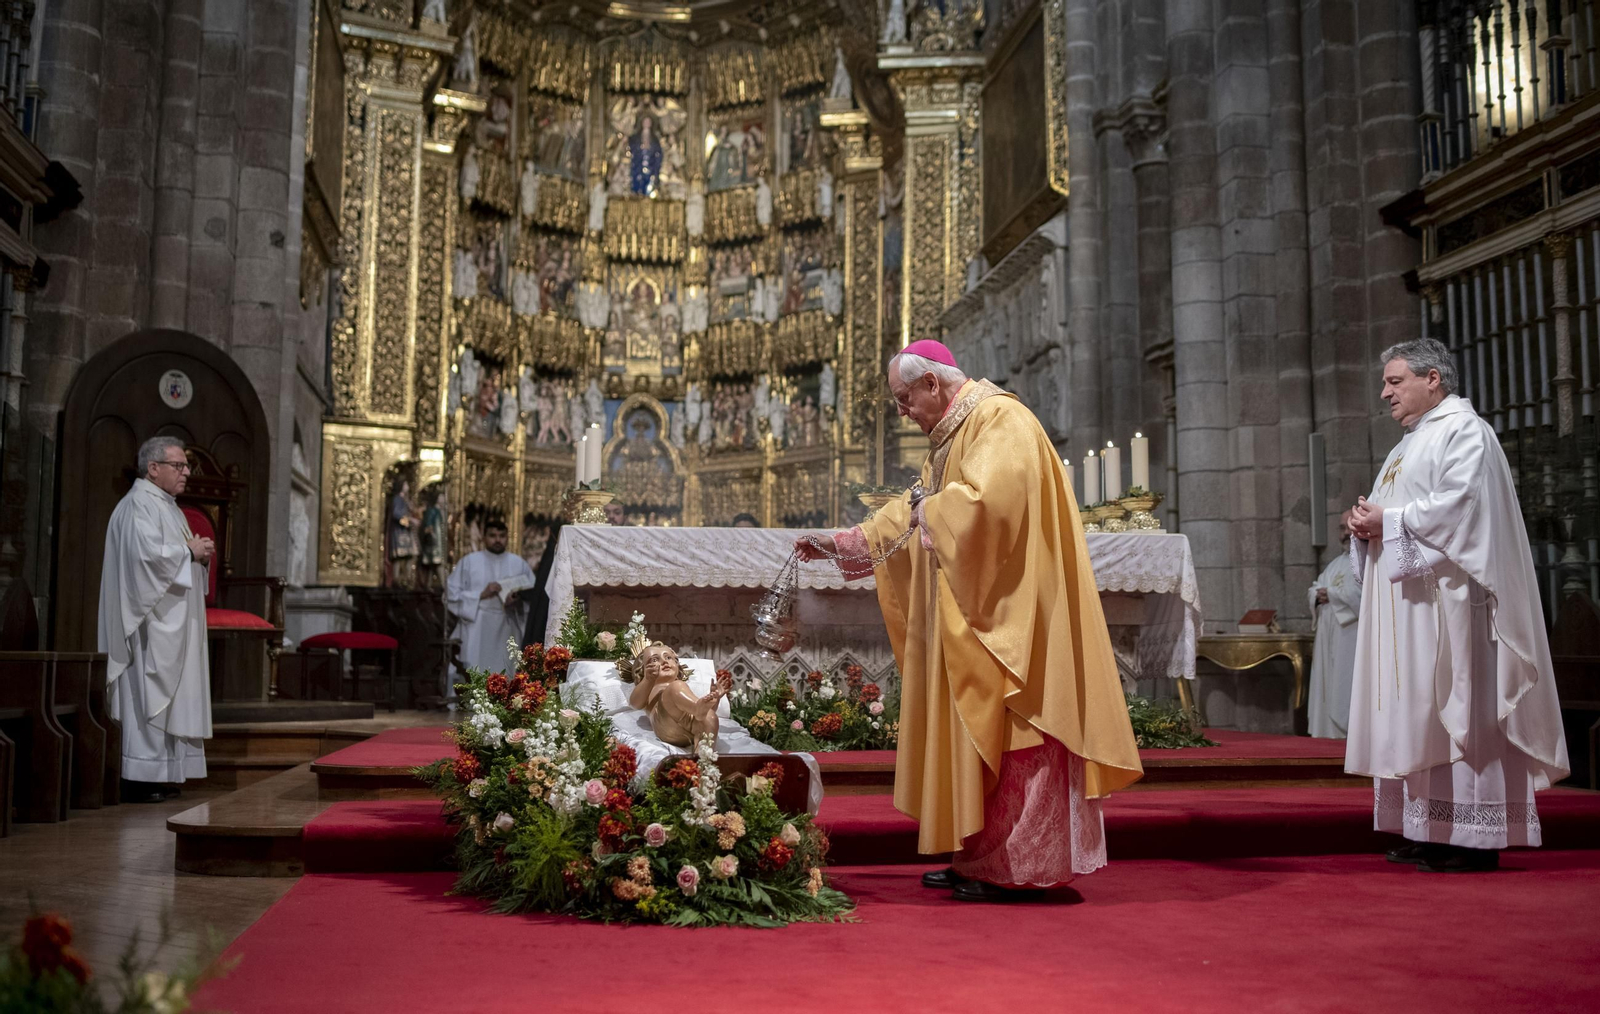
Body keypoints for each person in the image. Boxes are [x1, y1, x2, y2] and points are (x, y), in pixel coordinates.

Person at [795, 340, 1142, 901]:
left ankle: (1022, 869)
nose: (903, 412)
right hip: (984, 614)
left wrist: (926, 511)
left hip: (1014, 615)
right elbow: (917, 508)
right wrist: (842, 544)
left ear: (932, 383)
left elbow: (985, 506)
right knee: (985, 737)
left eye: (905, 398)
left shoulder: (1000, 419)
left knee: (1019, 732)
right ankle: (982, 859)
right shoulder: (953, 436)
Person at [1346, 338, 1568, 873]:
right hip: (1413, 606)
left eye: (1395, 382)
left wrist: (1389, 523)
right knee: (1419, 713)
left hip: (1453, 603)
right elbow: (1402, 509)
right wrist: (1363, 525)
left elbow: (1462, 509)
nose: (1385, 393)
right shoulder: (1406, 445)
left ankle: (1472, 836)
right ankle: (1429, 827)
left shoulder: (1466, 432)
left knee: (1457, 706)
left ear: (1433, 380)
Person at [97, 437, 215, 803]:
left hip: (171, 622)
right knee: (145, 697)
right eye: (178, 466)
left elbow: (173, 558)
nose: (186, 473)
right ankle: (137, 777)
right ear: (153, 468)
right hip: (147, 625)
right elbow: (143, 562)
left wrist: (199, 558)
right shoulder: (137, 506)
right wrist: (188, 552)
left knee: (167, 697)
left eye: (186, 466)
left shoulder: (167, 506)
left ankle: (161, 773)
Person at [445, 518, 536, 699]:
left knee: (509, 665)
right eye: (493, 535)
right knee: (474, 665)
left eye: (502, 536)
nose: (497, 540)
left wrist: (518, 600)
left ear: (507, 538)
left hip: (508, 621)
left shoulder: (518, 563)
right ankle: (470, 699)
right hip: (477, 620)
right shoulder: (469, 562)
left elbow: (533, 594)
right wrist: (481, 593)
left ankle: (509, 700)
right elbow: (449, 595)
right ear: (484, 538)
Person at [1307, 509, 1359, 739]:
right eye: (1341, 528)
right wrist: (1317, 594)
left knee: (1345, 685)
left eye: (1349, 526)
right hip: (1328, 636)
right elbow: (1316, 586)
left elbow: (1364, 595)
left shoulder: (1368, 562)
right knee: (1327, 684)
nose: (1346, 532)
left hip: (1351, 636)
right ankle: (1325, 734)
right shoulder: (1336, 563)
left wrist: (1332, 594)